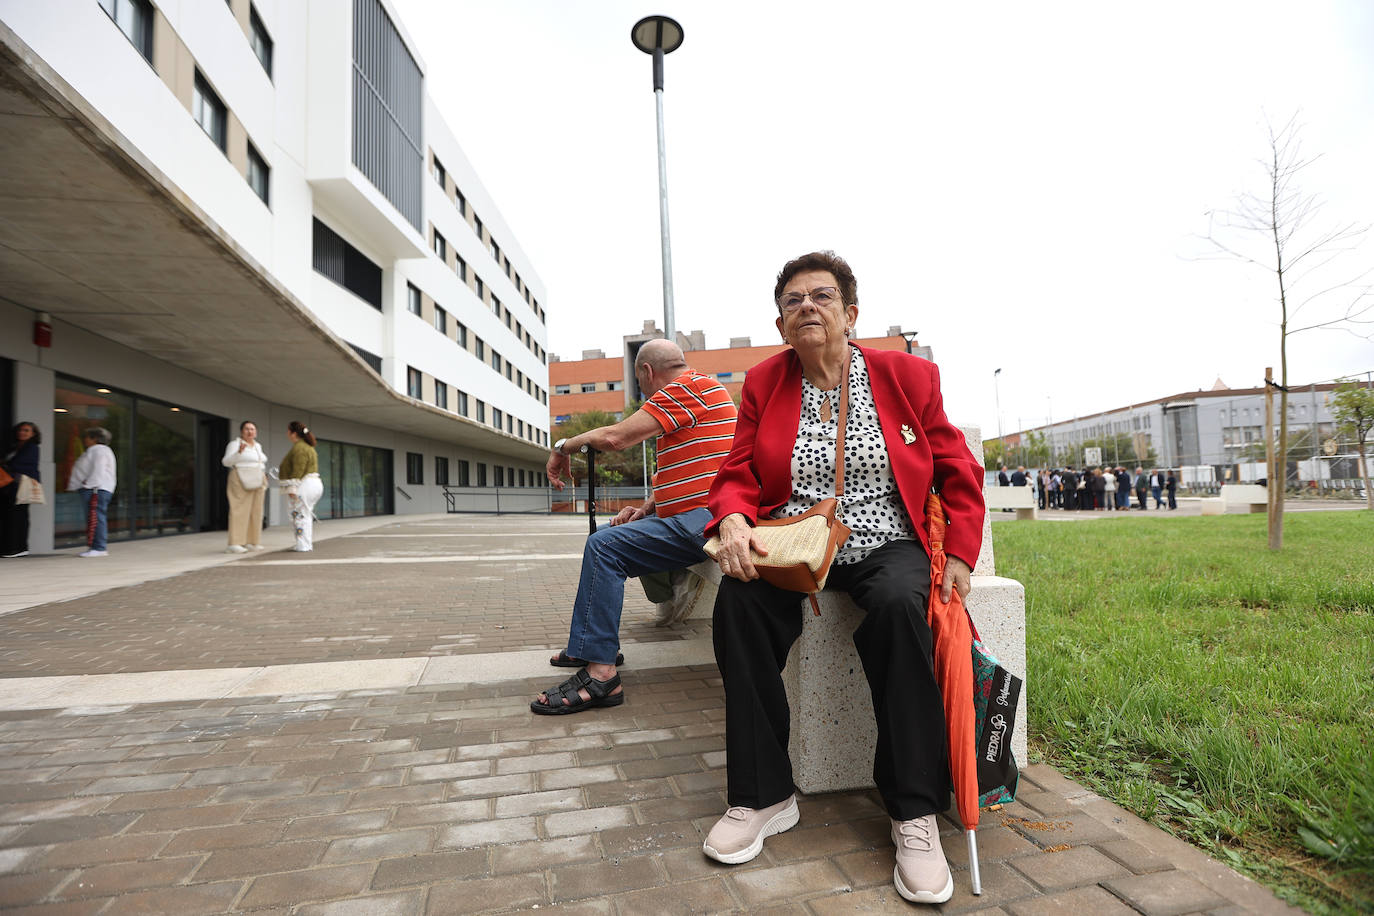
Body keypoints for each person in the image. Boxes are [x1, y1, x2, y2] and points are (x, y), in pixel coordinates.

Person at [702, 252, 984, 905]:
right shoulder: (766, 384)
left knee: (896, 607)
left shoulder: (908, 377)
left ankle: (913, 812)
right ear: (780, 324)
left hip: (887, 539)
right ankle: (763, 795)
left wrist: (962, 556)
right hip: (793, 539)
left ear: (851, 313)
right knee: (738, 601)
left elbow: (956, 472)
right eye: (793, 300)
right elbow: (738, 472)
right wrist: (737, 521)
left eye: (821, 296)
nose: (807, 307)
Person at [531, 339, 738, 715]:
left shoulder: (685, 388)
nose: (645, 396)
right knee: (606, 539)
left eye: (642, 385)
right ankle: (589, 646)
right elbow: (695, 468)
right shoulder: (701, 391)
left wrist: (563, 446)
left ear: (646, 372)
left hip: (709, 518)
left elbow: (614, 437)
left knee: (605, 548)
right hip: (701, 515)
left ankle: (602, 675)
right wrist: (646, 509)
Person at [67, 427, 116, 557]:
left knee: (96, 517)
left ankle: (99, 548)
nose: (85, 440)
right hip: (96, 488)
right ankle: (96, 547)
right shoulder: (97, 450)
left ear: (95, 438)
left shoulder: (99, 450)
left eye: (87, 437)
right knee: (95, 517)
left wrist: (89, 484)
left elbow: (98, 469)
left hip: (95, 489)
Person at [222, 420, 268, 553]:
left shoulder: (257, 446)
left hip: (258, 478)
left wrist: (264, 475)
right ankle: (235, 543)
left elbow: (261, 462)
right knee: (239, 509)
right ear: (241, 431)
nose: (250, 431)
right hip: (240, 477)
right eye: (247, 429)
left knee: (256, 511)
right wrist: (239, 453)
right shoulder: (235, 444)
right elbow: (226, 462)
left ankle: (252, 541)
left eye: (252, 429)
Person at [278, 421, 322, 551]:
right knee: (304, 515)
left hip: (304, 485)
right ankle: (305, 543)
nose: (287, 433)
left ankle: (302, 544)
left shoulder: (299, 448)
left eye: (288, 431)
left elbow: (298, 468)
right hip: (313, 484)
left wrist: (292, 487)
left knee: (298, 515)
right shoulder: (308, 447)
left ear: (293, 433)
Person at [1, 422, 41, 558]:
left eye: (26, 430)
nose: (22, 433)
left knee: (19, 516)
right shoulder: (16, 447)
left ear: (33, 434)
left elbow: (19, 464)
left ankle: (19, 548)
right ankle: (13, 547)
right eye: (20, 430)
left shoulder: (32, 447)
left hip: (21, 485)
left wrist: (5, 464)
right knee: (12, 515)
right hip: (11, 485)